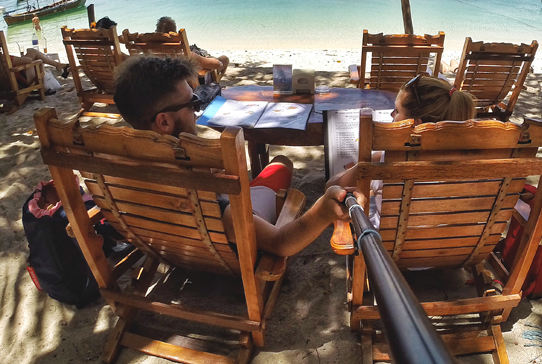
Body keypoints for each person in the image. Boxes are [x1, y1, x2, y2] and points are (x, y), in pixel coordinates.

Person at [113, 54, 364, 257]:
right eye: (192, 104)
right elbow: (281, 243)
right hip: (220, 248)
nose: (196, 111)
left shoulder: (112, 170)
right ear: (164, 121)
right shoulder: (204, 193)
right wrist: (323, 210)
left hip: (165, 245)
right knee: (281, 163)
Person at [327, 74, 477, 227]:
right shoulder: (479, 163)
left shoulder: (390, 162)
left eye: (397, 111)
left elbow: (332, 187)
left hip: (384, 249)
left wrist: (364, 165)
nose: (392, 115)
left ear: (416, 126)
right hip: (457, 247)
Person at [0, 29, 69, 85]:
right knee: (34, 56)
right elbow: (28, 60)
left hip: (1, 84)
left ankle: (58, 65)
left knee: (31, 51)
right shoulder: (2, 58)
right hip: (19, 82)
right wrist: (23, 58)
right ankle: (58, 65)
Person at [156, 16, 229, 79]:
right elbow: (217, 64)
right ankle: (215, 86)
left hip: (163, 87)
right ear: (175, 34)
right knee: (224, 59)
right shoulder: (183, 55)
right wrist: (206, 60)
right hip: (189, 88)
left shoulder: (151, 55)